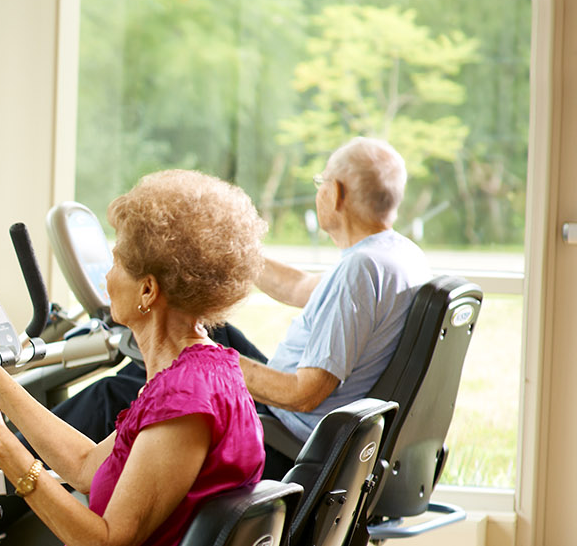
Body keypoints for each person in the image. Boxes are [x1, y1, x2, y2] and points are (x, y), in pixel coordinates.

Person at [0, 170, 268, 546]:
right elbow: (85, 465)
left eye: (116, 262)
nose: (106, 278)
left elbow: (105, 541)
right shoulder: (204, 370)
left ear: (148, 292)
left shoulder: (184, 400)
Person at [50, 136, 430, 481]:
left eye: (320, 183)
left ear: (334, 194)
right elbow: (300, 286)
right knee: (203, 330)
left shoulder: (360, 271)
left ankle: (7, 472)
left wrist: (199, 362)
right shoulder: (395, 255)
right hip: (295, 420)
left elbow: (304, 394)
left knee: (115, 393)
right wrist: (214, 249)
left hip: (286, 437)